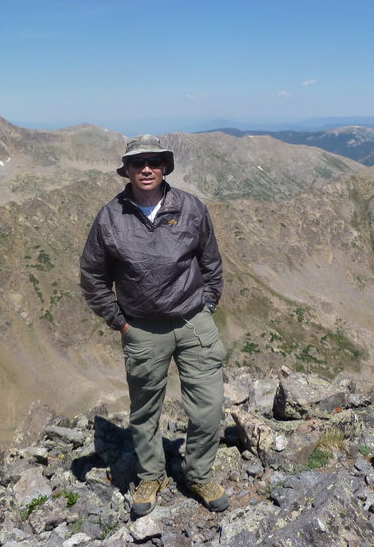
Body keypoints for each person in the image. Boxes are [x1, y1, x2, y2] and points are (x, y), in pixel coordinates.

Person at [79, 134, 229, 517]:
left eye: (155, 162)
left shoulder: (192, 208)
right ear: (126, 170)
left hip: (193, 321)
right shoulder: (110, 217)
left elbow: (210, 261)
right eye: (138, 163)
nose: (147, 169)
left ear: (165, 168)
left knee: (209, 409)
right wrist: (121, 323)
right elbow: (93, 277)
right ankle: (150, 476)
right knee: (145, 411)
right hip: (142, 330)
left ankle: (198, 474)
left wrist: (208, 303)